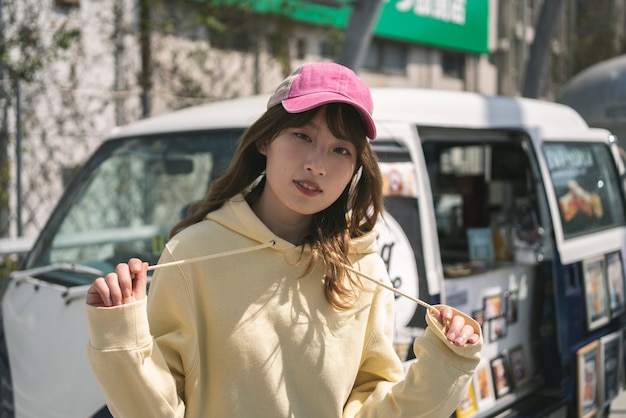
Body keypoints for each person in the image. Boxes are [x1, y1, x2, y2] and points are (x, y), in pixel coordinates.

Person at [86, 62, 482, 418]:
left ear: (354, 169)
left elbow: (376, 410)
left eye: (340, 149)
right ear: (265, 140)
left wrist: (447, 361)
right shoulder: (193, 254)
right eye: (302, 135)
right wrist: (121, 338)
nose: (316, 164)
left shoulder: (363, 270)